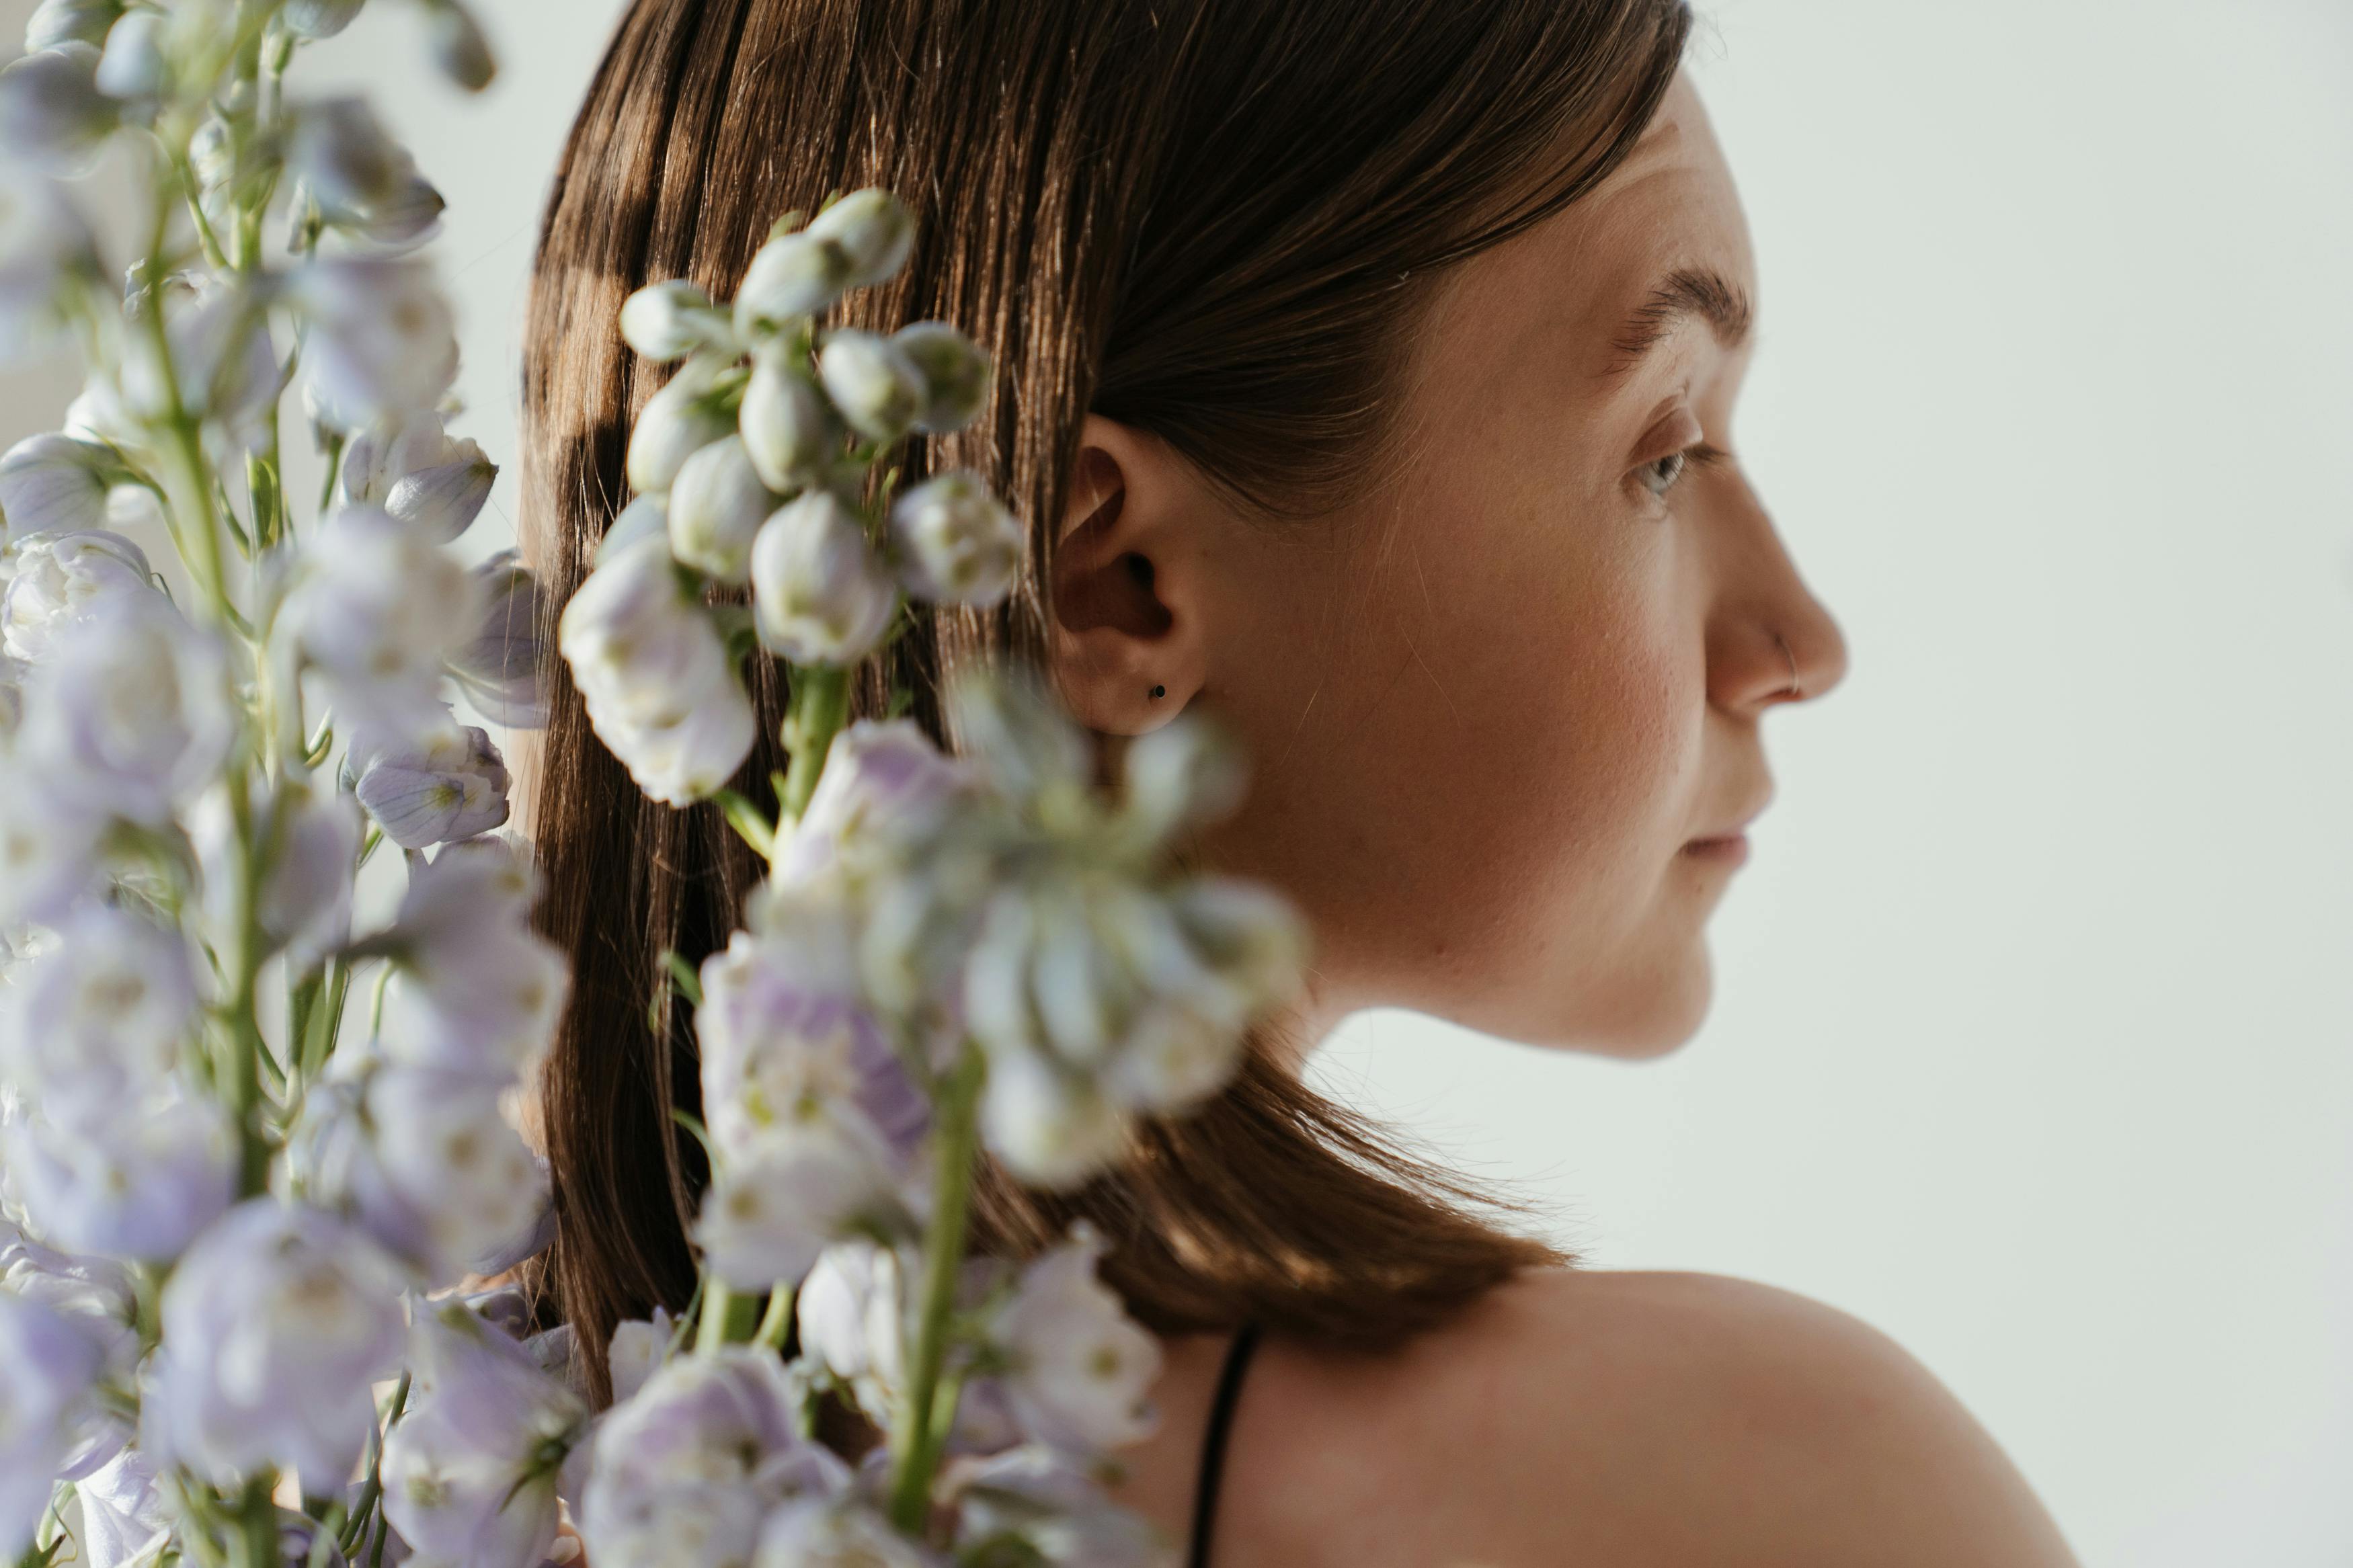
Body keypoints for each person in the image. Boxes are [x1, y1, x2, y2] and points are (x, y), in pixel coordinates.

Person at [515, 1, 2080, 1561]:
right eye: (1663, 452)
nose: (1797, 640)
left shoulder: (408, 1477)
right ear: (1112, 587)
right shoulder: (1752, 1490)